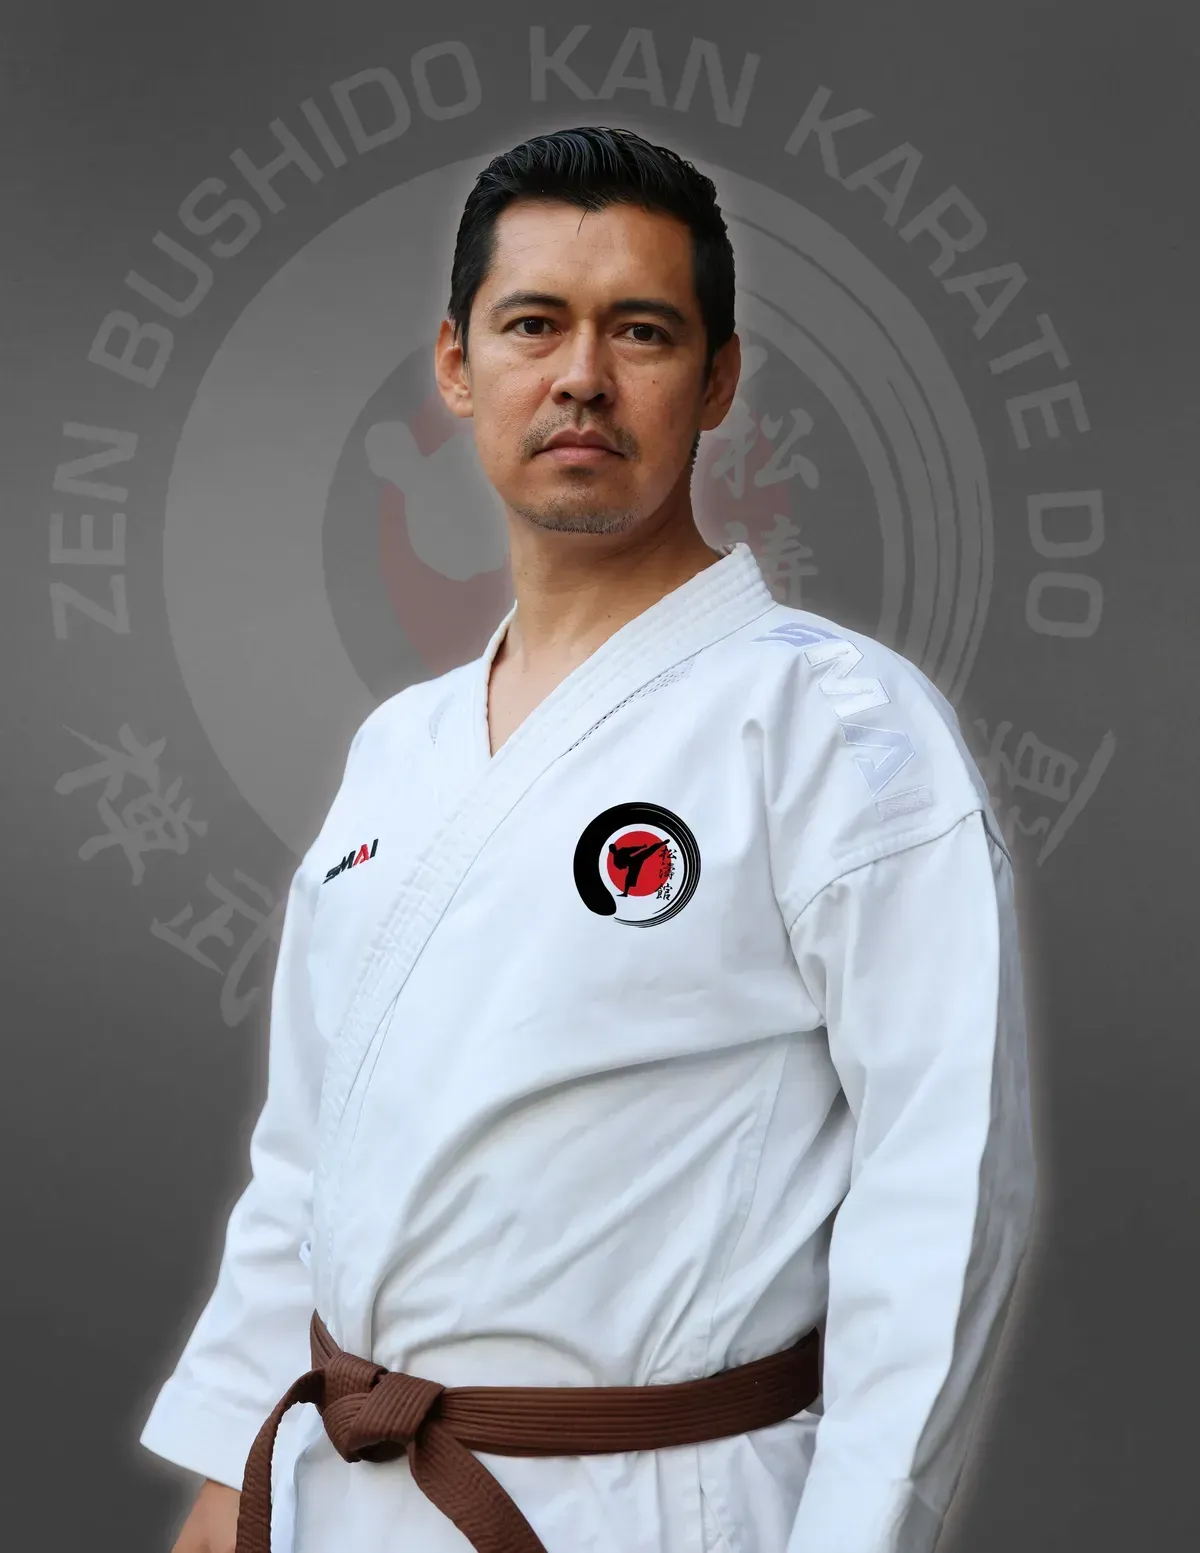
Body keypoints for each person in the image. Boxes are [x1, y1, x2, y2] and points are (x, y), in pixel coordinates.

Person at [143, 125, 1037, 1553]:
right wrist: (224, 1477)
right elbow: (310, 1162)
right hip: (339, 1500)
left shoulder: (835, 726)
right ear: (456, 366)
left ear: (719, 379)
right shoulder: (399, 752)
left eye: (642, 330)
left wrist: (859, 1533)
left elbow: (943, 1188)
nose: (581, 377)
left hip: (651, 1505)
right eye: (533, 325)